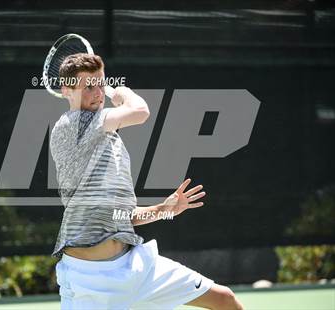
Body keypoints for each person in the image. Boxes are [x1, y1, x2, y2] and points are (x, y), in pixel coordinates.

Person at [50, 53, 244, 310]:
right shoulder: (72, 124)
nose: (97, 92)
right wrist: (123, 94)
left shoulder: (111, 143)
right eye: (88, 86)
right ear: (66, 91)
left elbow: (122, 216)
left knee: (225, 300)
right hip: (90, 279)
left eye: (100, 83)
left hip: (136, 265)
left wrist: (164, 210)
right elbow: (140, 111)